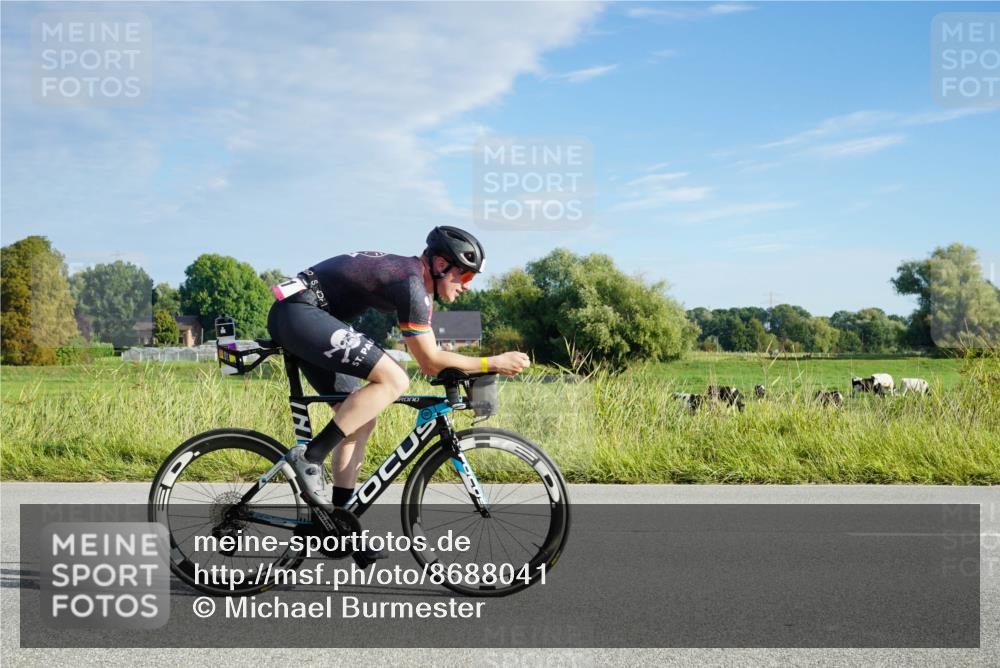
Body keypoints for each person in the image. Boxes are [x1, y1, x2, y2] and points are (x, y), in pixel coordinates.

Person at [266, 226, 531, 514]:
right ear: (441, 264)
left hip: (310, 317)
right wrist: (492, 363)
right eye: (465, 274)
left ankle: (339, 520)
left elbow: (433, 360)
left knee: (359, 420)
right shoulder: (411, 283)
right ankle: (310, 457)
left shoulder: (416, 283)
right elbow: (429, 361)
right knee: (394, 379)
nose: (467, 285)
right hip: (299, 312)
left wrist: (473, 368)